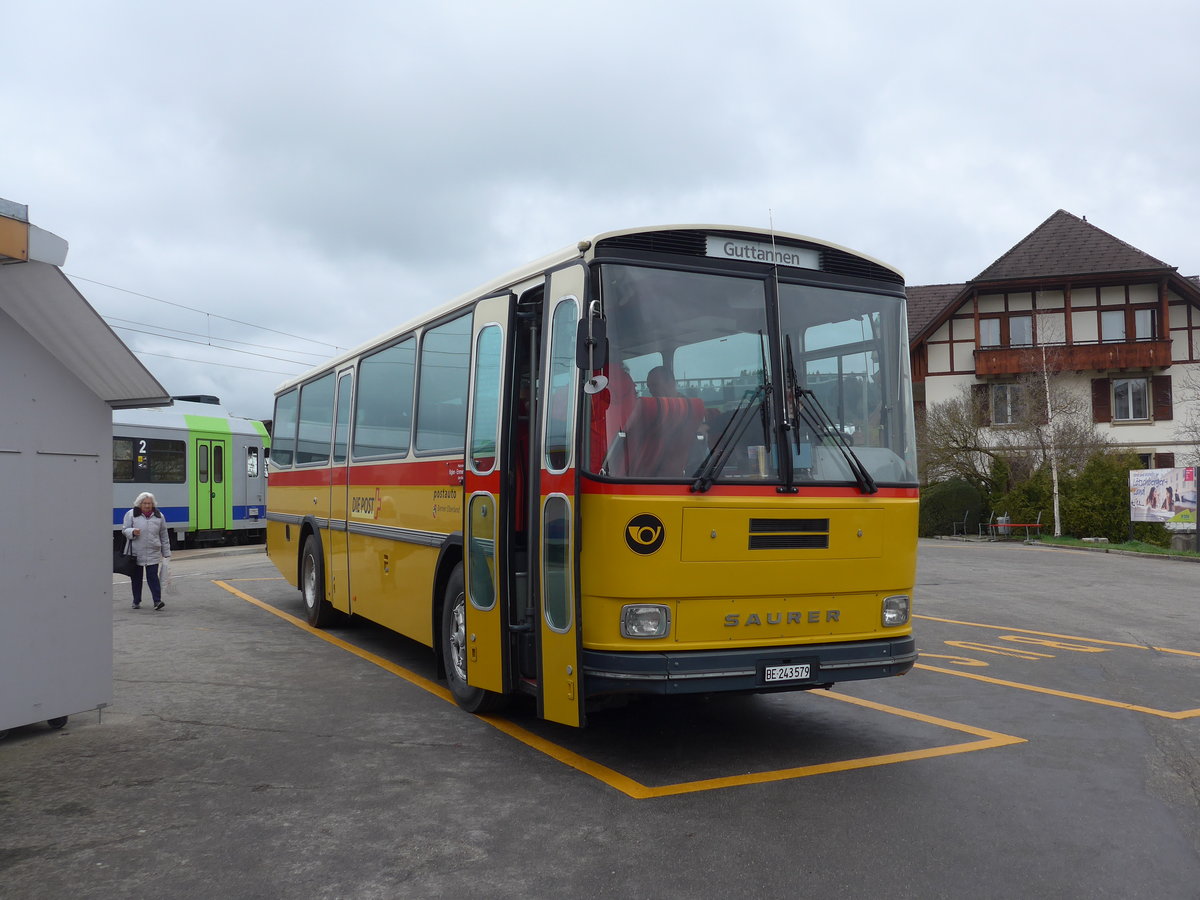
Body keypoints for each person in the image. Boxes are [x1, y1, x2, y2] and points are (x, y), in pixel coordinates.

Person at [122, 491, 172, 610]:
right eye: (145, 503)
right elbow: (124, 530)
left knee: (153, 577)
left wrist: (166, 552)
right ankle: (136, 601)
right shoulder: (131, 514)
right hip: (135, 553)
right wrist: (132, 531)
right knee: (136, 579)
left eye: (149, 503)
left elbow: (164, 535)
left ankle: (157, 601)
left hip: (153, 551)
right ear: (140, 504)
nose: (147, 505)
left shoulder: (159, 516)